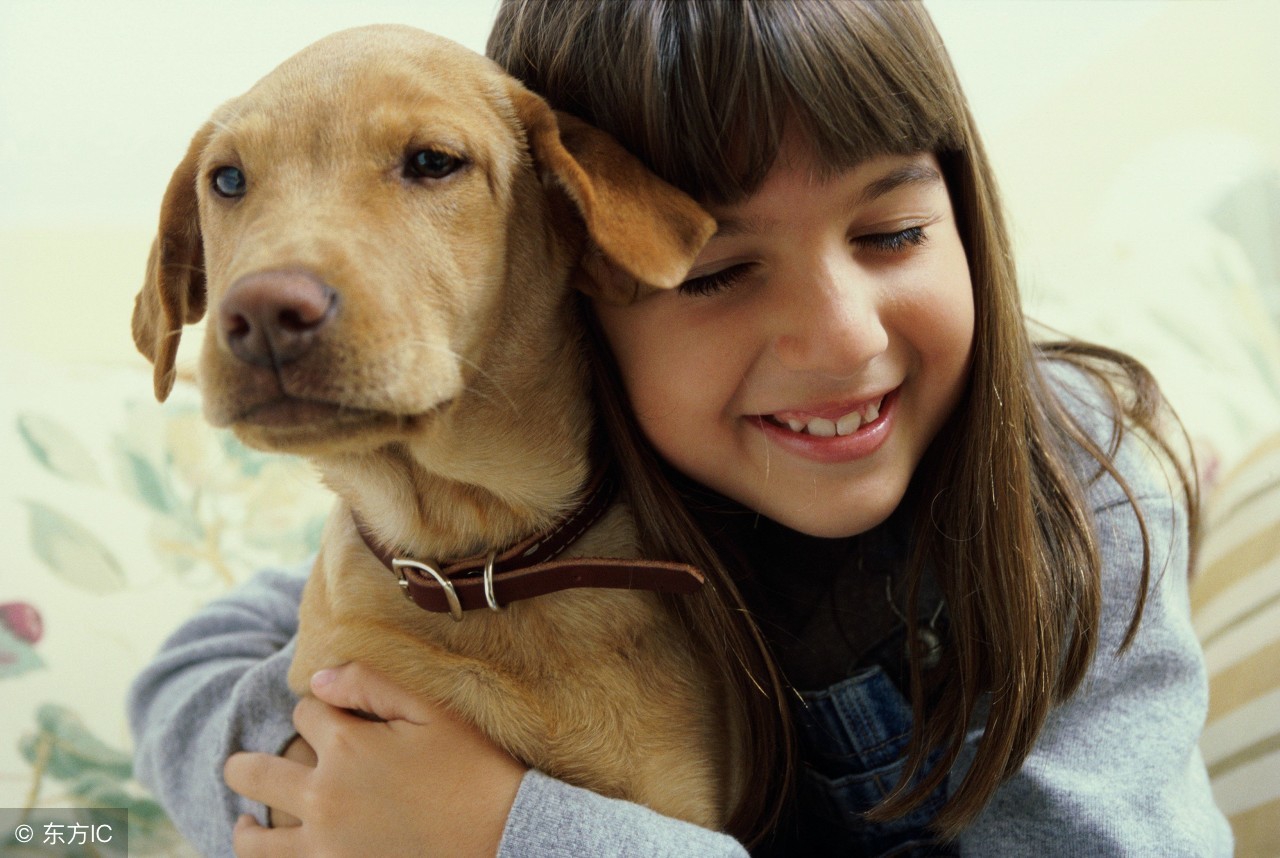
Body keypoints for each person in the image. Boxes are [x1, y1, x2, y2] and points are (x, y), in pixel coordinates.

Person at [128, 2, 1233, 855]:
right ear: (582, 270)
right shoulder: (519, 491)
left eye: (892, 232)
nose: (837, 339)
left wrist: (508, 833)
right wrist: (325, 782)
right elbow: (192, 671)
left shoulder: (1070, 490)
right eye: (717, 272)